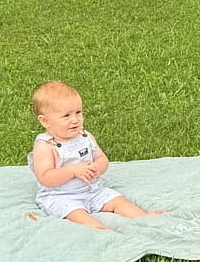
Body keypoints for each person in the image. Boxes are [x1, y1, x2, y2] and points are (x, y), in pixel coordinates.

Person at [29, 81, 163, 229]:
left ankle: (142, 217)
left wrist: (97, 167)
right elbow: (45, 177)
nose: (75, 119)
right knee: (76, 214)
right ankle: (100, 230)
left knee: (118, 201)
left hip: (92, 190)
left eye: (78, 112)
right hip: (61, 196)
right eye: (66, 116)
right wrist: (72, 170)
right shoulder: (46, 145)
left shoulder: (85, 136)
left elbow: (102, 158)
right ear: (45, 121)